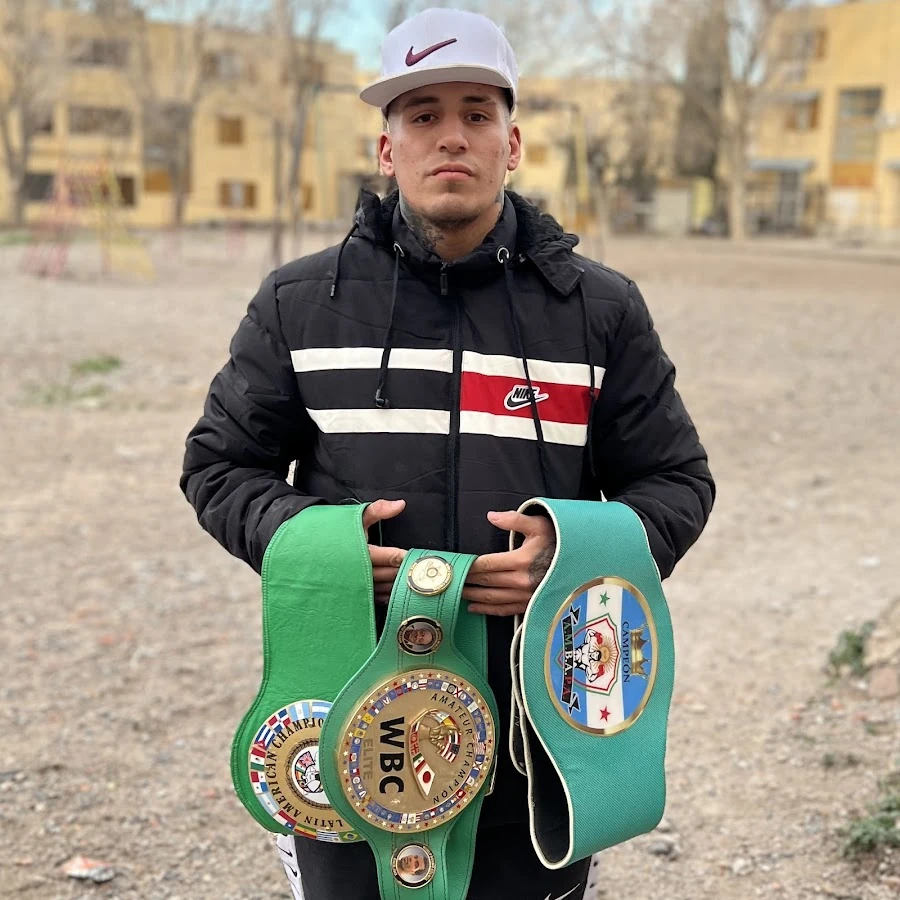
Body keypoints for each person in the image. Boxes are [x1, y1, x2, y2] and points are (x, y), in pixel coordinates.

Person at [180, 8, 714, 899]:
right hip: (352, 723)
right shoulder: (299, 303)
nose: (451, 137)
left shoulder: (599, 310)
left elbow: (675, 481)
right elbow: (220, 467)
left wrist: (575, 556)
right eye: (423, 115)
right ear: (387, 150)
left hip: (538, 740)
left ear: (514, 143)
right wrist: (322, 549)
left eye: (476, 113)